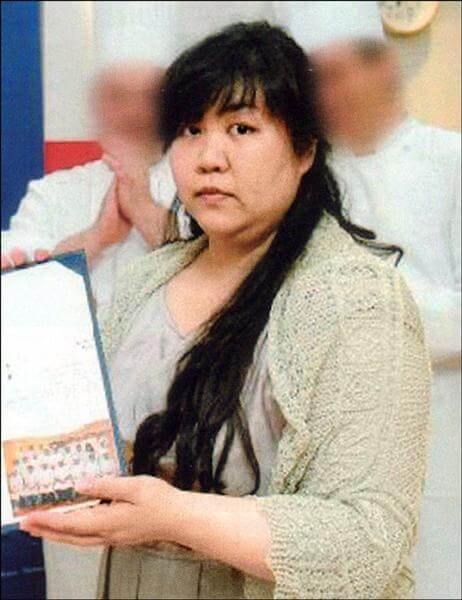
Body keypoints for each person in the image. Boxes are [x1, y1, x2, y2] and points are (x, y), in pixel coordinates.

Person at [20, 22, 430, 600]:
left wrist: (175, 516)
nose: (209, 158)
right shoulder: (147, 279)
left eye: (242, 128)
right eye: (191, 130)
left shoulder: (357, 300)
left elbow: (367, 542)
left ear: (305, 150)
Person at [310, 37, 461, 600]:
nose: (329, 93)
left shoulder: (451, 160)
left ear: (385, 68)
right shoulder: (308, 176)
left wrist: (361, 305)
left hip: (440, 427)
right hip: (334, 439)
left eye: (339, 73)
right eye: (317, 78)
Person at [1, 61, 180, 321]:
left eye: (151, 98)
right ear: (97, 110)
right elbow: (15, 289)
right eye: (118, 97)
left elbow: (229, 273)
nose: (135, 112)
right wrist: (96, 238)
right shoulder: (51, 192)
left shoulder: (206, 186)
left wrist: (145, 211)